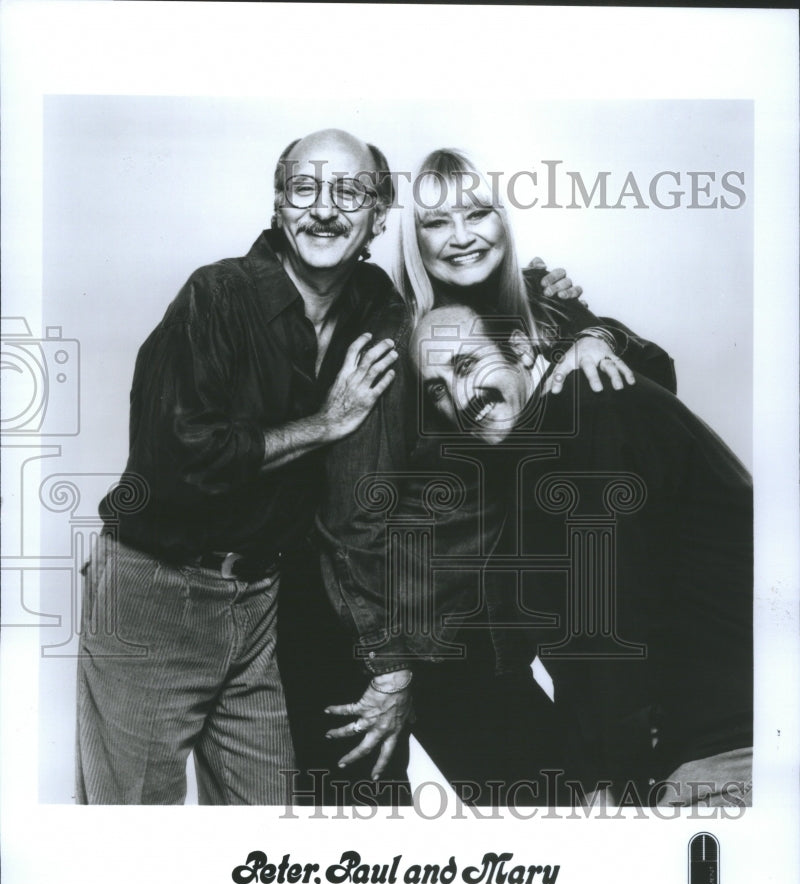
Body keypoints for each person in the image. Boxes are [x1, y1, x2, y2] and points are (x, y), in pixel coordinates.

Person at [317, 147, 678, 804]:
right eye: (435, 223)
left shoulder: (538, 308)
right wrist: (393, 668)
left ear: (502, 221)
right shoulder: (396, 340)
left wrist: (598, 337)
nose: (461, 237)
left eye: (478, 213)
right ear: (412, 240)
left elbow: (651, 389)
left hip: (508, 626)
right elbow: (353, 515)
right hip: (418, 635)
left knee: (581, 808)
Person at [76, 128, 406, 805]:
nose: (324, 209)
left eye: (348, 192)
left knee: (265, 833)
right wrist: (327, 423)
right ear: (279, 206)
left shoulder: (375, 303)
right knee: (130, 831)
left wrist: (582, 329)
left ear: (380, 212)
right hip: (157, 589)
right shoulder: (217, 296)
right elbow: (178, 458)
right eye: (304, 189)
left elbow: (480, 319)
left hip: (263, 605)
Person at [409, 303, 753, 807]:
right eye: (437, 388)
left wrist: (611, 785)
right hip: (693, 755)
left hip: (732, 757)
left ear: (522, 349)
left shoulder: (589, 411)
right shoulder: (540, 452)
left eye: (466, 365)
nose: (461, 398)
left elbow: (610, 628)